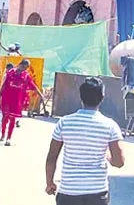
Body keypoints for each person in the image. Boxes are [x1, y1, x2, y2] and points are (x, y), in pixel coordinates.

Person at [45, 77, 124, 205]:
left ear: (80, 97)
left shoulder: (64, 122)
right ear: (102, 97)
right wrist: (107, 156)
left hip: (68, 193)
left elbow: (51, 157)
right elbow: (119, 162)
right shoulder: (110, 126)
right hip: (97, 194)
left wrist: (50, 183)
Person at [0, 59, 43, 146]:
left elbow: (33, 86)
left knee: (12, 119)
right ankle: (3, 134)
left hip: (17, 101)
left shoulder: (26, 76)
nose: (24, 68)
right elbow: (4, 84)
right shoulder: (10, 73)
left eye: (26, 67)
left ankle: (8, 138)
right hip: (7, 98)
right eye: (23, 66)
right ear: (20, 64)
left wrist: (40, 94)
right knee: (5, 118)